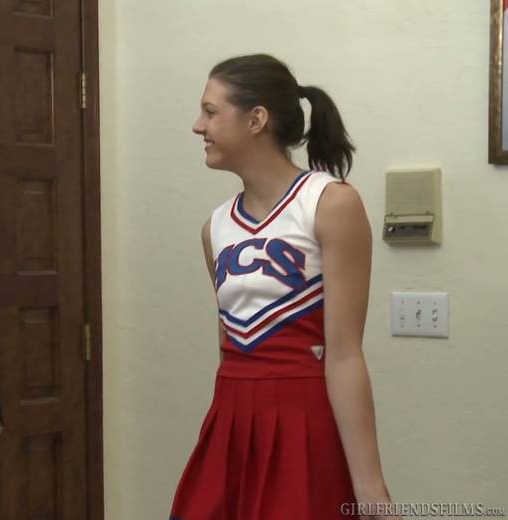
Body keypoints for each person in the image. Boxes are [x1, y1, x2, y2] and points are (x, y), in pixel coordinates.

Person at [169, 54, 399, 520]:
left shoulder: (329, 204)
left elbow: (344, 355)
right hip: (231, 424)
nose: (198, 126)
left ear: (256, 119)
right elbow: (229, 351)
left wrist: (370, 487)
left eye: (210, 111)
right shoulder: (215, 229)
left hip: (303, 425)